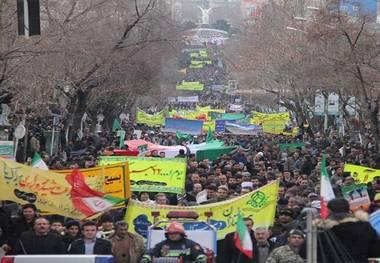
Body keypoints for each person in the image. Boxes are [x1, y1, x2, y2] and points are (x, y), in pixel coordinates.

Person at [300, 198, 380, 262]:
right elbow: (376, 251)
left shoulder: (320, 229)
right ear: (348, 210)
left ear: (329, 211)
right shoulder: (365, 226)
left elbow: (304, 253)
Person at [140, 221, 207, 263]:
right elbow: (151, 252)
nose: (172, 235)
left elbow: (200, 254)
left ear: (181, 234)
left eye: (175, 233)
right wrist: (146, 257)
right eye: (170, 233)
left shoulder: (190, 244)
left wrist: (201, 258)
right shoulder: (162, 245)